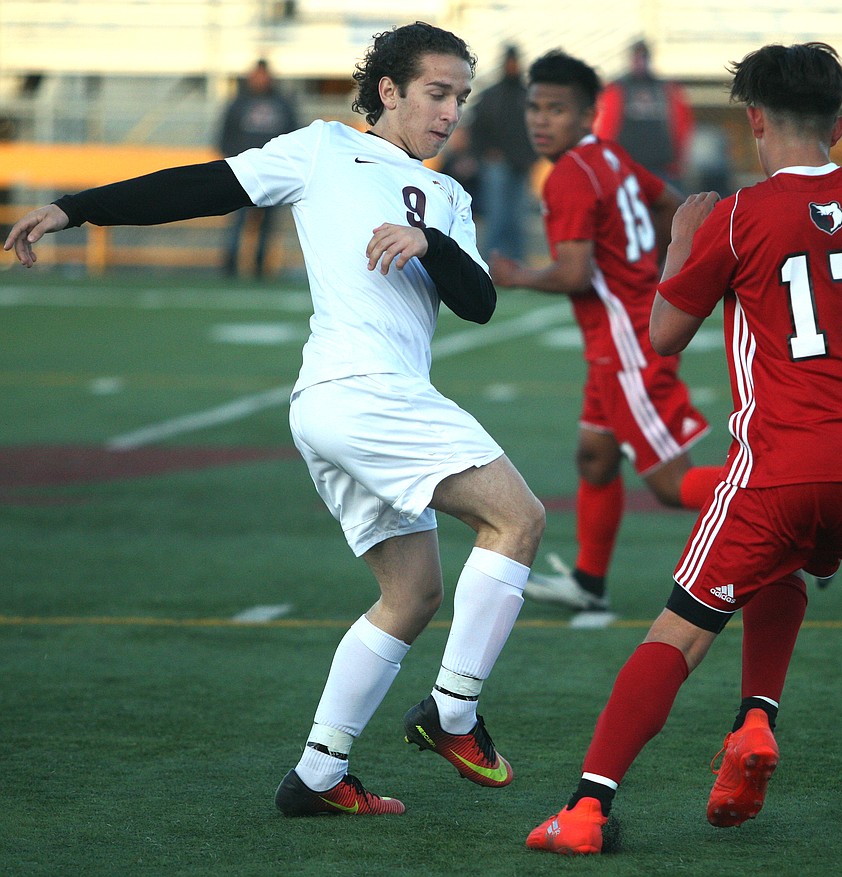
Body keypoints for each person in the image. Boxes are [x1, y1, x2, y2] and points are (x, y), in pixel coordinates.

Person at [6, 22, 545, 817]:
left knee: (412, 592)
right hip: (363, 391)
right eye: (437, 93)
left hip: (336, 405)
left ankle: (319, 773)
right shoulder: (323, 147)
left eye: (460, 97)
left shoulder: (451, 195)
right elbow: (204, 185)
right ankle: (453, 713)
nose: (450, 112)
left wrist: (427, 238)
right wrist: (73, 210)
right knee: (519, 519)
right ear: (389, 90)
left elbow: (480, 302)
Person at [525, 41, 842, 855]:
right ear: (841, 125)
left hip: (784, 469)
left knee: (676, 631)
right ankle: (754, 721)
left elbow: (665, 336)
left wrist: (682, 241)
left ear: (753, 122)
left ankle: (584, 808)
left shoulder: (742, 213)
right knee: (778, 565)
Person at [489, 50, 723, 616]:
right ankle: (590, 581)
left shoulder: (570, 175)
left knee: (670, 486)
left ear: (590, 113)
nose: (541, 120)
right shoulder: (607, 156)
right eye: (535, 108)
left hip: (627, 343)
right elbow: (668, 199)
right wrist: (663, 268)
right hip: (620, 337)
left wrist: (518, 276)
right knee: (594, 457)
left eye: (558, 110)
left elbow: (574, 272)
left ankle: (793, 506)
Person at [216, 59, 299, 278]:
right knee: (238, 223)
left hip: (273, 176)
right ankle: (230, 267)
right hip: (242, 174)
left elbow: (294, 137)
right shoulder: (238, 103)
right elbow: (224, 136)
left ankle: (260, 267)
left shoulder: (282, 104)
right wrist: (236, 163)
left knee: (267, 226)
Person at [468, 44, 538, 260]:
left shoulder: (527, 95)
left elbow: (537, 130)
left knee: (517, 218)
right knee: (498, 217)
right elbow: (476, 128)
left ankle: (515, 265)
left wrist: (531, 157)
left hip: (521, 165)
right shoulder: (493, 95)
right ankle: (492, 263)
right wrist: (485, 153)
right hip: (498, 164)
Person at [594, 40, 693, 189]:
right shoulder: (617, 89)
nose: (640, 63)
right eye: (637, 58)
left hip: (660, 167)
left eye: (643, 57)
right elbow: (606, 128)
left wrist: (678, 162)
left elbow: (682, 127)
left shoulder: (666, 89)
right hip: (626, 167)